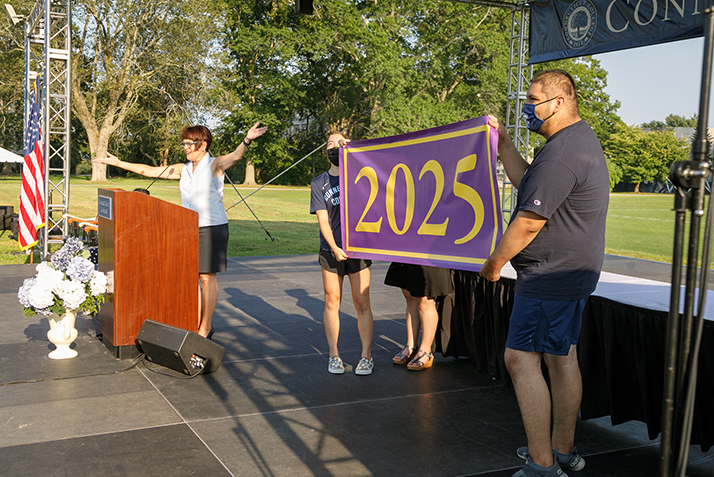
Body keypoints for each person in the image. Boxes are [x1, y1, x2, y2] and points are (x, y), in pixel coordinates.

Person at [479, 70, 609, 477]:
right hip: (571, 273)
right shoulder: (572, 142)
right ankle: (562, 450)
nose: (526, 108)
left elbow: (529, 222)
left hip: (551, 275)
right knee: (560, 355)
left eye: (533, 100)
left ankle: (541, 465)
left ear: (558, 102)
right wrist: (503, 144)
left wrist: (494, 264)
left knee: (519, 358)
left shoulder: (561, 153)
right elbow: (528, 184)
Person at [93, 122, 268, 339]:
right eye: (183, 143)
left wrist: (247, 140)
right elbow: (148, 170)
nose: (185, 147)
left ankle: (205, 328)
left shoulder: (214, 165)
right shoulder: (183, 169)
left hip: (212, 228)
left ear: (203, 145)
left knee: (206, 277)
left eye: (189, 143)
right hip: (187, 227)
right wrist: (119, 163)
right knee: (189, 277)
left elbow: (235, 156)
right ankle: (192, 322)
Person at [309, 131, 374, 376]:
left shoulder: (361, 177)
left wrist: (356, 150)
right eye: (330, 143)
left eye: (340, 142)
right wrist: (335, 248)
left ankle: (366, 356)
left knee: (362, 303)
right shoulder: (319, 183)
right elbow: (323, 221)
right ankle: (333, 355)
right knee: (332, 302)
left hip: (359, 250)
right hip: (331, 250)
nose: (334, 146)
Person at [384, 263, 453, 370]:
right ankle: (411, 346)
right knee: (409, 296)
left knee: (425, 299)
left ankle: (426, 351)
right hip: (408, 250)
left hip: (429, 252)